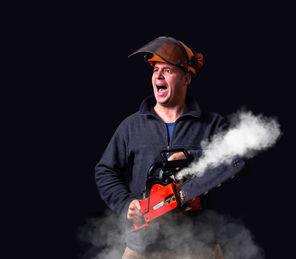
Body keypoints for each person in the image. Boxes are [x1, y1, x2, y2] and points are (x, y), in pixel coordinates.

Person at [94, 36, 240, 258]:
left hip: (199, 246)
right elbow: (105, 170)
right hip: (143, 247)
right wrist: (127, 204)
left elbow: (235, 159)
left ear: (186, 77)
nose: (158, 76)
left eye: (168, 70)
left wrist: (190, 156)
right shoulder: (131, 126)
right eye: (155, 70)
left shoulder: (212, 124)